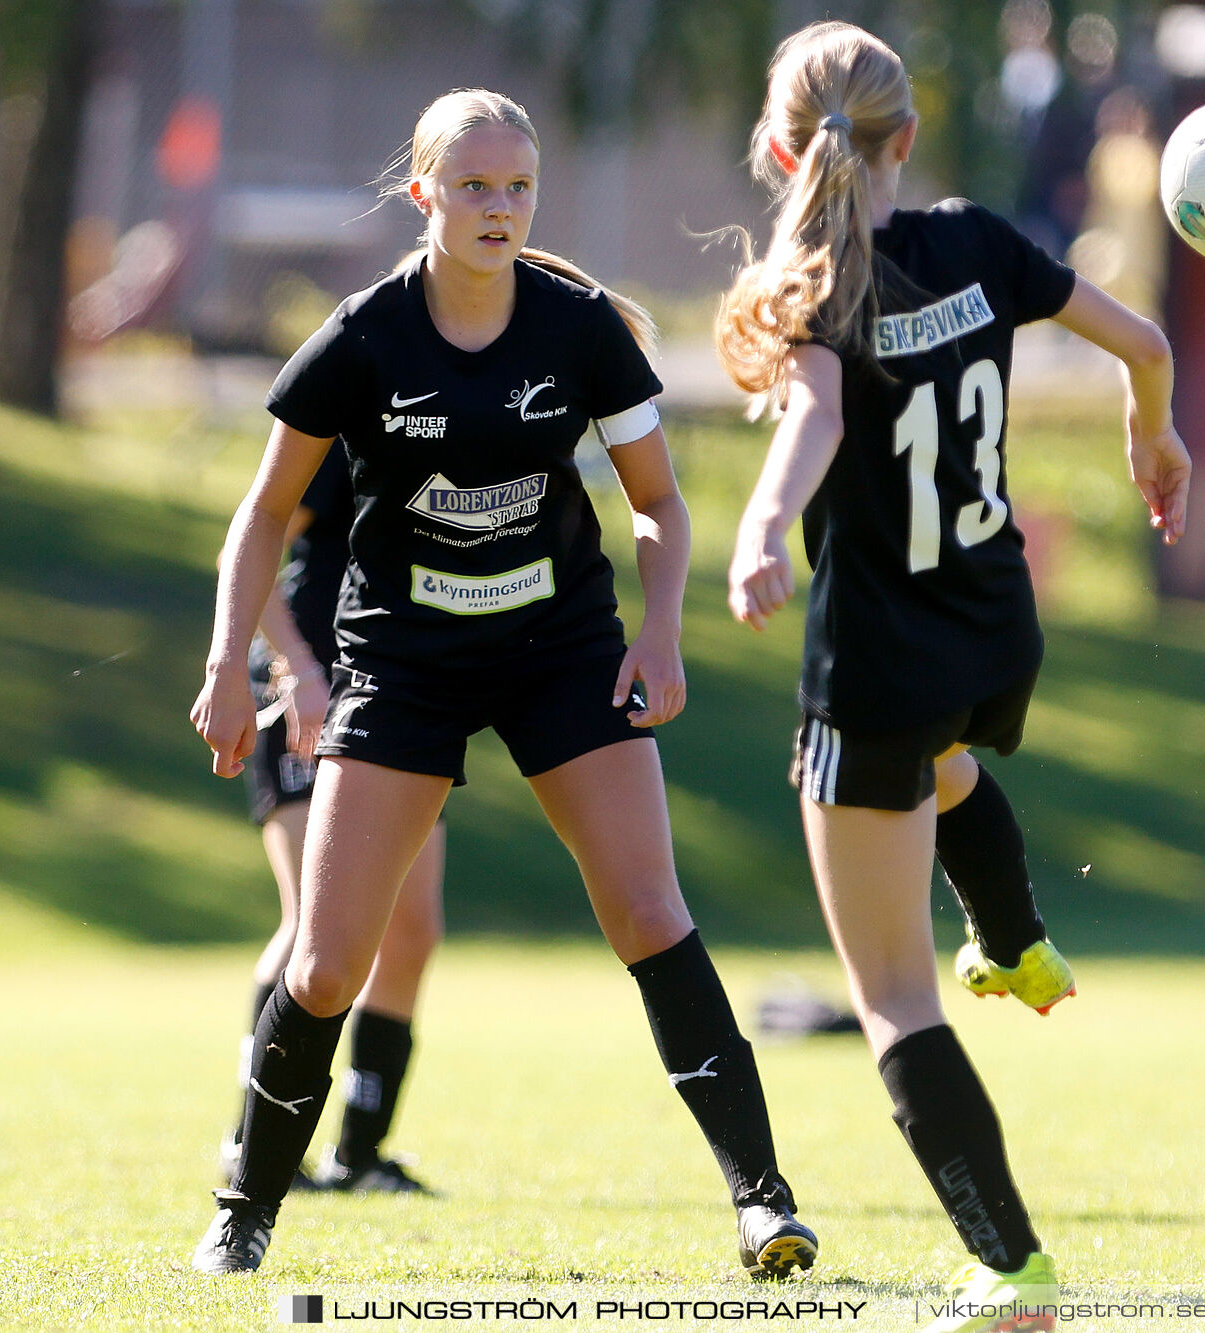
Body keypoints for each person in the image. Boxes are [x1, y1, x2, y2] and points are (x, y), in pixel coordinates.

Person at [188, 87, 817, 1281]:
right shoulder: (365, 333)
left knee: (650, 913)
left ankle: (763, 1201)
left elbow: (661, 504)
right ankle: (244, 1205)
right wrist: (232, 662)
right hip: (403, 664)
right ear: (422, 192)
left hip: (561, 652)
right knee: (327, 962)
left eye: (518, 187)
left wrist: (664, 632)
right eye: (474, 186)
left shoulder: (580, 329)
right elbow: (263, 514)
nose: (499, 207)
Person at [715, 23, 1190, 1329]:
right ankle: (1018, 937)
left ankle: (1012, 1266)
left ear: (776, 148)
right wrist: (1158, 444)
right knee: (948, 759)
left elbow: (813, 418)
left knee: (891, 998)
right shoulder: (980, 241)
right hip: (992, 636)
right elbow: (1144, 341)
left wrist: (761, 533)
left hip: (876, 665)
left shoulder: (823, 288)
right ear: (907, 141)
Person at [222, 447, 444, 1194]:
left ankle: (359, 1153)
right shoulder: (345, 419)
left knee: (411, 928)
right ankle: (248, 1137)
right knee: (312, 924)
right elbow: (251, 549)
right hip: (309, 694)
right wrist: (298, 668)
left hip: (402, 693)